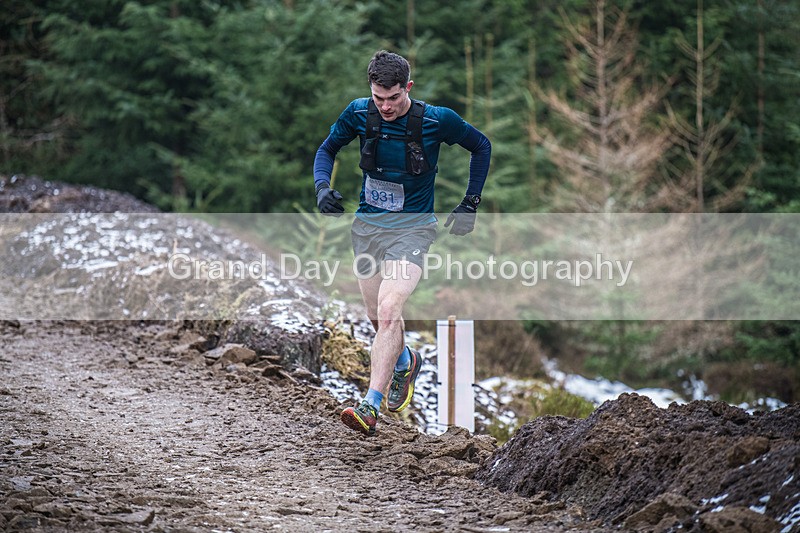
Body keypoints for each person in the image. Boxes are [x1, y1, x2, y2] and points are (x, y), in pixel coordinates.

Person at [313, 50, 491, 436]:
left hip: (413, 229)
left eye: (393, 97)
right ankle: (405, 360)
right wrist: (322, 188)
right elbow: (326, 149)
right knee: (378, 318)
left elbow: (482, 146)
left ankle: (369, 406)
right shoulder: (358, 113)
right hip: (367, 228)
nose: (386, 106)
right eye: (379, 98)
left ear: (407, 87)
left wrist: (469, 203)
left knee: (390, 308)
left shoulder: (436, 120)